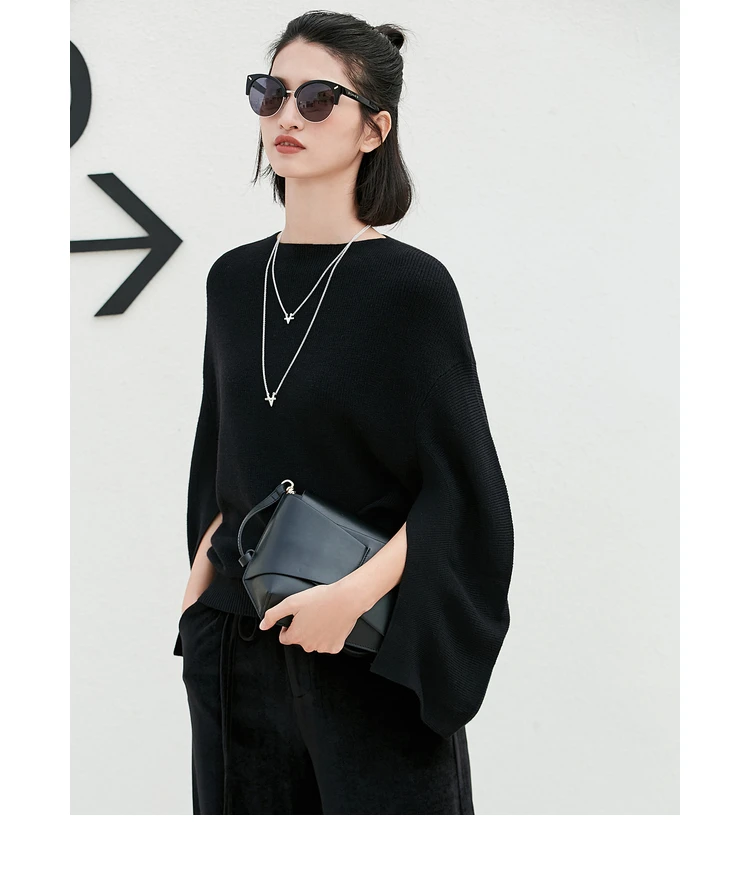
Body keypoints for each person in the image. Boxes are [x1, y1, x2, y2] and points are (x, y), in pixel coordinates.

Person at [173, 10, 515, 815]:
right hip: (235, 644)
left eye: (319, 98)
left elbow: (460, 489)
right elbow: (222, 454)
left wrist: (349, 596)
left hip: (365, 645)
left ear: (373, 130)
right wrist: (197, 603)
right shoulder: (232, 280)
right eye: (271, 93)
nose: (287, 116)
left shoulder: (409, 289)